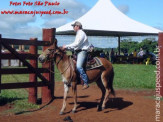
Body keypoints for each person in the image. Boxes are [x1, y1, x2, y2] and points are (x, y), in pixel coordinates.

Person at [63, 21, 90, 90]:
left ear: (77, 26)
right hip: (78, 52)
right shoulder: (78, 33)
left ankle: (85, 82)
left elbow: (76, 44)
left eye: (74, 26)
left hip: (82, 52)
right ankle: (72, 79)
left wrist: (66, 46)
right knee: (71, 64)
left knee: (78, 66)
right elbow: (76, 45)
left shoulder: (81, 33)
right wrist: (68, 47)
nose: (73, 28)